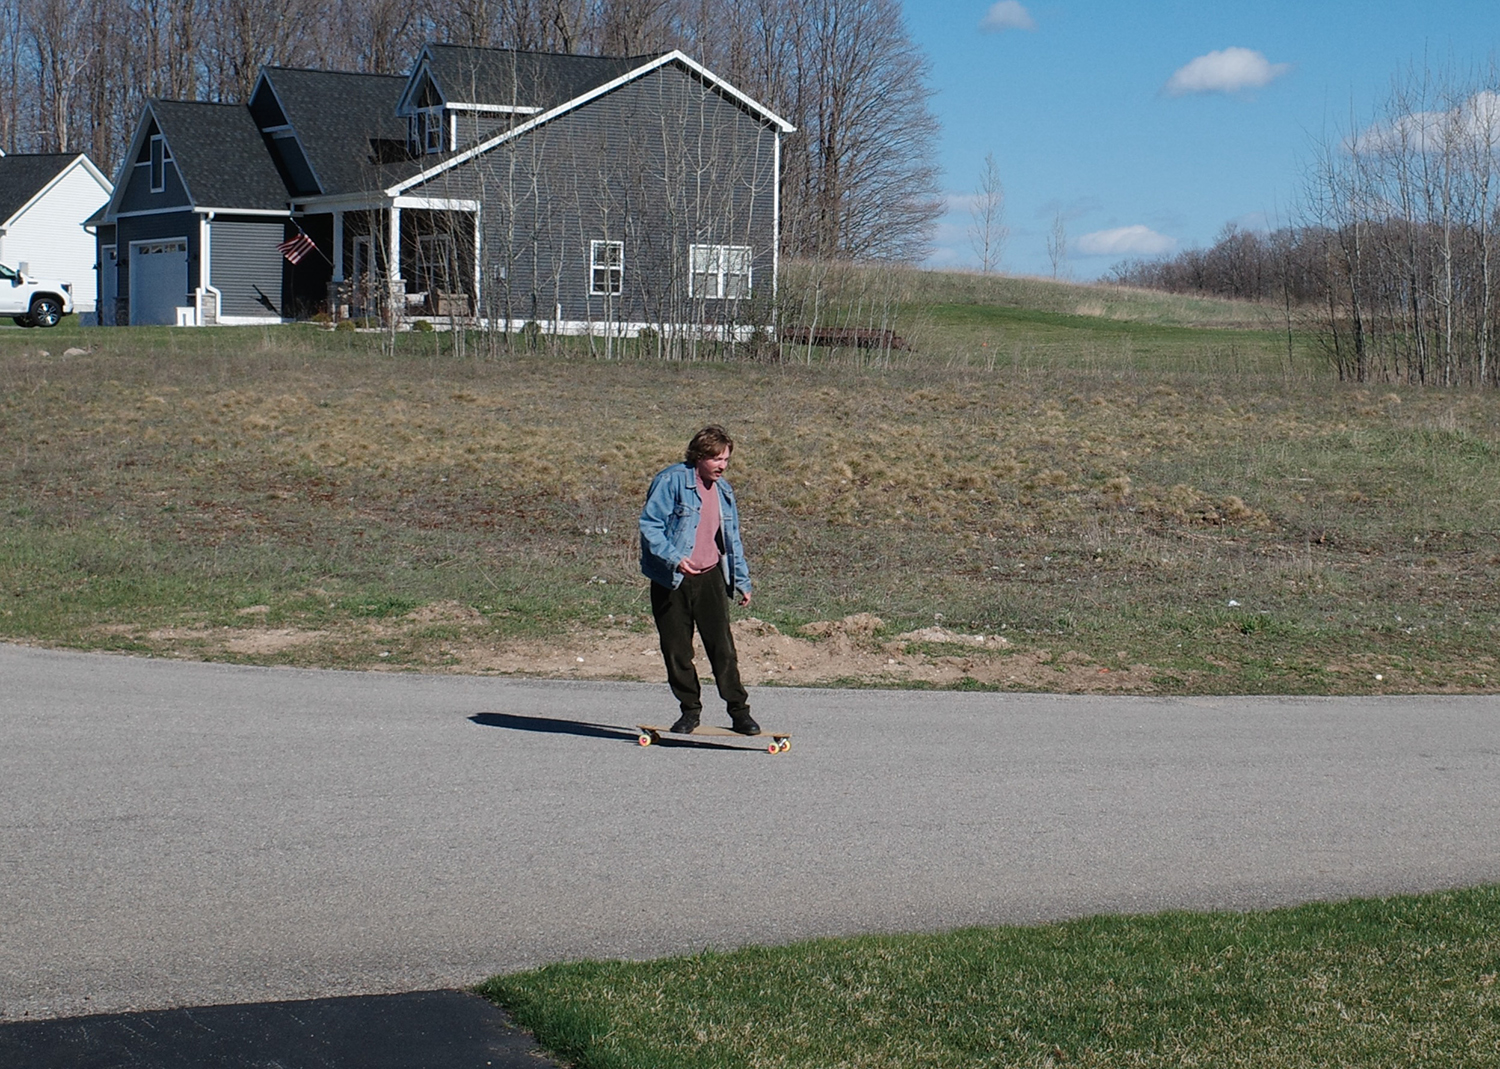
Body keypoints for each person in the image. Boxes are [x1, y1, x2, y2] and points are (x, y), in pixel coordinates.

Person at [638, 425, 759, 735]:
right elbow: (650, 526)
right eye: (717, 459)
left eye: (726, 460)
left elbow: (731, 541)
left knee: (723, 648)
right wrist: (674, 558)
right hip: (672, 580)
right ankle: (689, 711)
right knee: (677, 650)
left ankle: (739, 712)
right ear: (699, 456)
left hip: (710, 578)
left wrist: (742, 580)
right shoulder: (671, 481)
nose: (722, 466)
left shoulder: (723, 491)